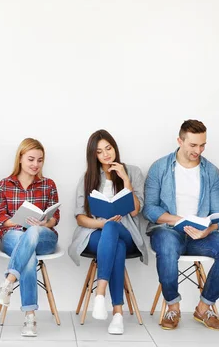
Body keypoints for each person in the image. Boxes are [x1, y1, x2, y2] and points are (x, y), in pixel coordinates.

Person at [143, 119, 219, 331]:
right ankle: (173, 308)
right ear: (180, 140)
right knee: (167, 248)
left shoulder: (211, 172)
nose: (198, 150)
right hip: (168, 230)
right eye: (193, 145)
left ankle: (204, 308)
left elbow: (218, 216)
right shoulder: (160, 168)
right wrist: (176, 220)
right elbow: (149, 209)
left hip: (200, 235)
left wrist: (208, 230)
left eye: (202, 145)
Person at [67, 129, 148, 335]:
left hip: (127, 232)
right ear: (93, 155)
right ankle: (118, 314)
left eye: (108, 148)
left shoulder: (133, 171)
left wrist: (126, 181)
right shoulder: (88, 178)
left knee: (115, 231)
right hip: (95, 233)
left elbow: (136, 210)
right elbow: (79, 217)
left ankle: (100, 292)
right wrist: (102, 224)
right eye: (99, 151)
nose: (106, 154)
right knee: (113, 237)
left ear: (114, 147)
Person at [0, 138, 60, 337]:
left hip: (44, 238)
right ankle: (30, 317)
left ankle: (9, 281)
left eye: (40, 160)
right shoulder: (5, 184)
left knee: (33, 231)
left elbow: (55, 218)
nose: (35, 164)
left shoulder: (48, 184)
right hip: (13, 236)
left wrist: (42, 223)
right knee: (28, 257)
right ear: (20, 158)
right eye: (31, 159)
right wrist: (20, 221)